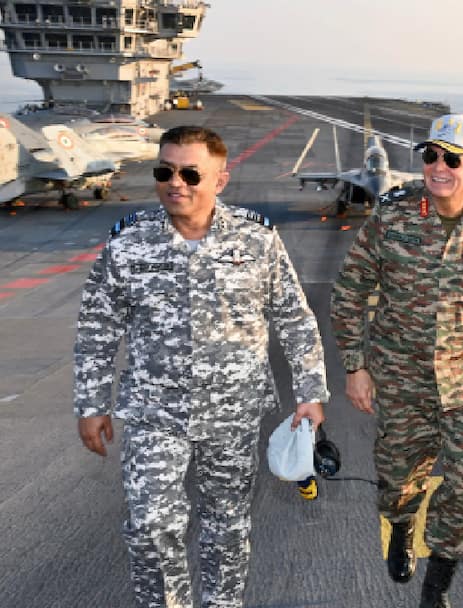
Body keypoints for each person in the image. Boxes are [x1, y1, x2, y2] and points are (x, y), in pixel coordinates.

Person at [73, 125, 329, 608]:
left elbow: (294, 318)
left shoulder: (257, 240)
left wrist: (310, 392)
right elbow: (97, 329)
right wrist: (91, 403)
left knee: (226, 525)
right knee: (150, 525)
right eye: (165, 172)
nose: (176, 183)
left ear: (220, 180)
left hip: (233, 412)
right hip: (154, 411)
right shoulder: (129, 243)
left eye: (191, 174)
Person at [331, 114, 463, 608]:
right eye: (430, 156)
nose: (438, 167)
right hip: (401, 381)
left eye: (452, 159)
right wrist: (355, 367)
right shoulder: (391, 219)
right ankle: (402, 526)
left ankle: (436, 586)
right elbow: (349, 292)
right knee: (398, 482)